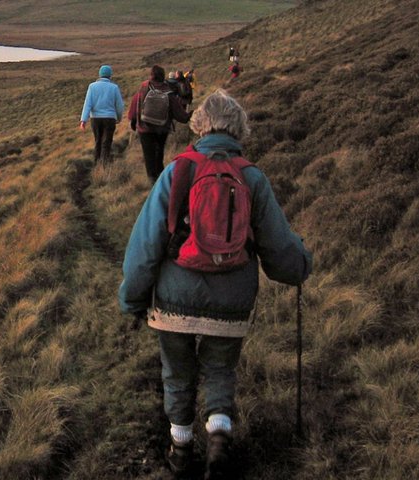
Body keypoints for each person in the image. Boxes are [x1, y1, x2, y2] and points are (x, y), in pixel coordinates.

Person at [118, 90, 312, 478]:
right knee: (221, 369)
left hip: (174, 298)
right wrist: (300, 265)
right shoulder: (251, 176)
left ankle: (180, 447)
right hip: (232, 299)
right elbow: (278, 245)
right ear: (239, 127)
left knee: (177, 371)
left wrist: (132, 297)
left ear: (200, 125)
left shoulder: (180, 170)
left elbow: (147, 241)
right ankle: (219, 437)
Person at [127, 65, 191, 183]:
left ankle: (152, 180)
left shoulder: (143, 89)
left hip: (144, 128)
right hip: (162, 129)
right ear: (163, 76)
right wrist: (188, 116)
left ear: (151, 75)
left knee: (148, 155)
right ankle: (160, 178)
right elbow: (180, 115)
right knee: (159, 152)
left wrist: (133, 120)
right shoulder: (168, 92)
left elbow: (135, 104)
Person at [80, 64, 126, 164]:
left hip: (95, 119)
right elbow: (120, 106)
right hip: (110, 119)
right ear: (110, 75)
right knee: (106, 143)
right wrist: (119, 118)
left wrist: (83, 120)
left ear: (100, 75)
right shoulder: (114, 87)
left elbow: (87, 104)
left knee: (98, 141)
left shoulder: (92, 86)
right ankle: (104, 166)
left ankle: (96, 163)